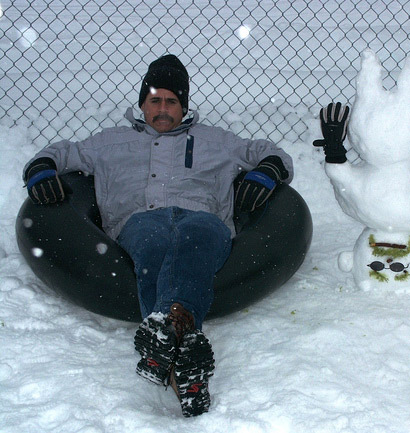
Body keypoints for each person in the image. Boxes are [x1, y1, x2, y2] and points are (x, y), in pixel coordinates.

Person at [23, 54, 293, 417]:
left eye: (171, 101)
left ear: (183, 106)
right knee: (153, 244)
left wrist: (268, 171)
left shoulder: (216, 140)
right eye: (155, 100)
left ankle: (167, 343)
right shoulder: (109, 142)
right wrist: (41, 168)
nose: (163, 109)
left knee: (196, 237)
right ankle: (183, 342)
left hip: (203, 218)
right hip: (140, 220)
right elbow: (63, 153)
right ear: (142, 104)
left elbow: (268, 151)